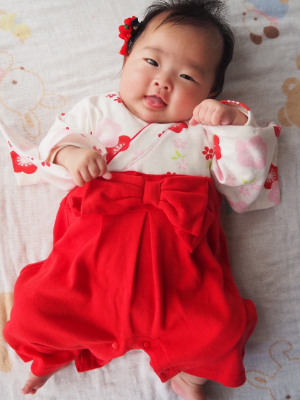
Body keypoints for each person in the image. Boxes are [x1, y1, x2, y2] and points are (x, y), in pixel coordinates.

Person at [1, 1, 280, 399]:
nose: (163, 81)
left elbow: (245, 183)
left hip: (179, 276)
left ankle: (190, 376)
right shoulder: (97, 111)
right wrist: (72, 154)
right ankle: (51, 354)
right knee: (38, 308)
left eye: (186, 76)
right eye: (151, 61)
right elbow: (54, 145)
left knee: (219, 327)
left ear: (211, 91)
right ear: (126, 57)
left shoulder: (205, 129)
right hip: (91, 262)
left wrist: (233, 127)